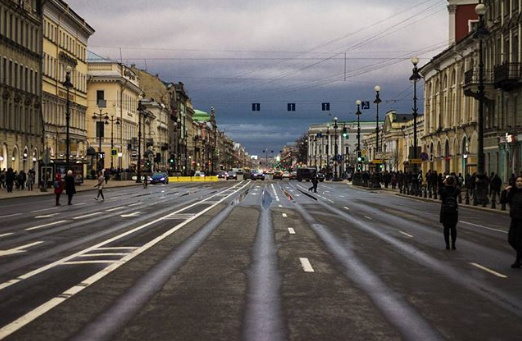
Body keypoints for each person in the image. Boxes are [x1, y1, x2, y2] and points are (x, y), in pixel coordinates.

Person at [501, 177, 522, 268]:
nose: (519, 183)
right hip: (514, 219)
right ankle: (520, 258)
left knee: (518, 241)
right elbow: (503, 201)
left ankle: (518, 261)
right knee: (511, 239)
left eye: (521, 181)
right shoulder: (512, 193)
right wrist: (505, 191)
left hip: (521, 220)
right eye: (517, 181)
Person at [439, 175, 460, 250]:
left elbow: (439, 190)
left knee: (446, 228)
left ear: (446, 182)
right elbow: (458, 189)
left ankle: (447, 245)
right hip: (454, 210)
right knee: (453, 228)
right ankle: (453, 244)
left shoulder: (443, 190)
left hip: (445, 210)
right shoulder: (456, 190)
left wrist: (443, 182)